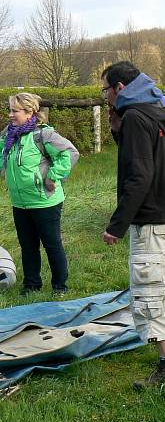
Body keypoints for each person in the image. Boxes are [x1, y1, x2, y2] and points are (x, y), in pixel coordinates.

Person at [100, 61, 165, 389]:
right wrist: (117, 130)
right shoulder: (157, 109)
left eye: (105, 90)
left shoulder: (134, 117)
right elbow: (147, 159)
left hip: (152, 221)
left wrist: (117, 225)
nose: (104, 97)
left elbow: (139, 175)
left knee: (149, 293)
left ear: (119, 88)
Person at [1, 93, 79, 296]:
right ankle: (31, 285)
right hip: (20, 202)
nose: (10, 115)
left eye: (14, 111)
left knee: (52, 245)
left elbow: (70, 153)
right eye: (9, 110)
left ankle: (60, 287)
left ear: (29, 113)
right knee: (28, 247)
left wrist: (53, 176)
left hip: (45, 201)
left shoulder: (43, 135)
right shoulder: (8, 135)